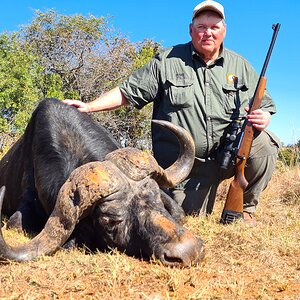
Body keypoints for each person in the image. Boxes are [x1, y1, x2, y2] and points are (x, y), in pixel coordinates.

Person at [64, 0, 280, 225]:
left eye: (214, 27)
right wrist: (89, 107)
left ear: (224, 31)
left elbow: (265, 104)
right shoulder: (167, 60)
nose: (208, 33)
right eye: (201, 27)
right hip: (185, 168)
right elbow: (128, 93)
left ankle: (245, 210)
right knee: (184, 219)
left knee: (266, 143)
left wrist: (264, 117)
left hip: (227, 156)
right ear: (191, 30)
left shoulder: (241, 66)